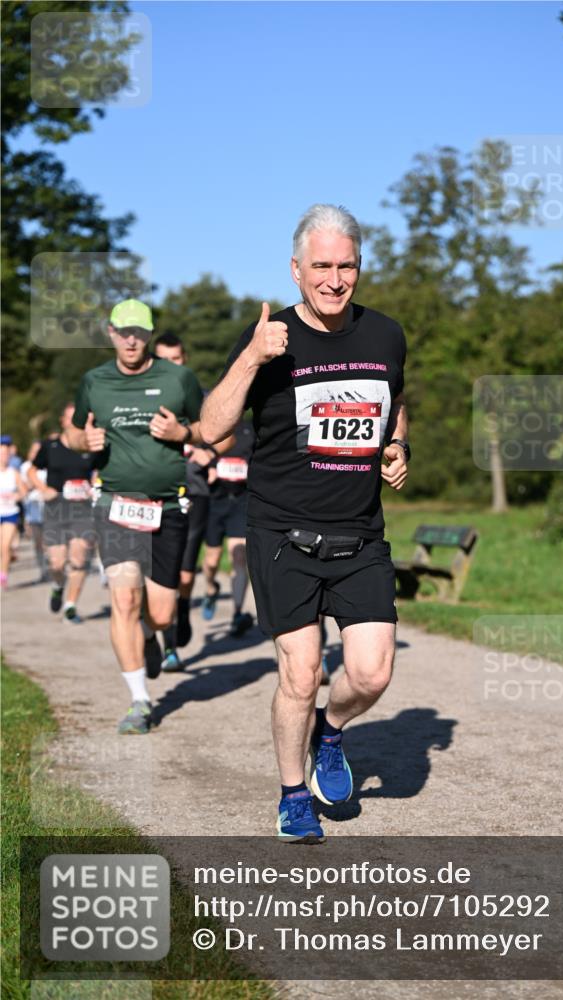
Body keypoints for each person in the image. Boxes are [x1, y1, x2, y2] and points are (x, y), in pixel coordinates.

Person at [201, 204, 409, 842]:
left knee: (372, 672)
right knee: (302, 671)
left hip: (360, 535)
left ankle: (330, 732)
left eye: (346, 265)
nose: (334, 278)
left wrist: (397, 446)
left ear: (359, 268)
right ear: (296, 270)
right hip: (282, 534)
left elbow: (392, 405)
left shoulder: (385, 335)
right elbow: (211, 430)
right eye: (321, 265)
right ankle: (294, 795)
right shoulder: (268, 336)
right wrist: (252, 360)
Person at [67, 298, 212, 734]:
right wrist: (83, 440)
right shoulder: (94, 381)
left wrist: (183, 432)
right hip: (115, 504)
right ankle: (139, 701)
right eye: (123, 330)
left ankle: (151, 636)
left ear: (149, 335)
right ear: (110, 332)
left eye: (139, 331)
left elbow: (212, 428)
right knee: (124, 598)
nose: (131, 339)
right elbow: (71, 430)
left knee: (163, 614)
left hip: (167, 507)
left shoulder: (178, 378)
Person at [152, 332, 232, 669]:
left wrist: (208, 452)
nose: (171, 366)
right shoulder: (141, 398)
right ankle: (162, 641)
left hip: (193, 494)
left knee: (183, 575)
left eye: (177, 359)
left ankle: (180, 614)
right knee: (151, 576)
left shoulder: (200, 399)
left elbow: (225, 437)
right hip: (150, 495)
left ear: (184, 360)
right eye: (164, 360)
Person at [28, 406, 97, 621]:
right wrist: (43, 488)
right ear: (63, 421)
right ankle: (58, 585)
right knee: (56, 563)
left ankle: (70, 605)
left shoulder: (91, 447)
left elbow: (98, 472)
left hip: (82, 508)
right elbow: (31, 470)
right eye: (72, 418)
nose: (76, 423)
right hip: (56, 507)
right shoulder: (50, 446)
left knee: (79, 557)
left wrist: (94, 486)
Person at [201, 417, 255, 637]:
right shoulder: (214, 426)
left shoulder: (251, 429)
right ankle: (211, 588)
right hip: (216, 500)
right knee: (212, 559)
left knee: (240, 557)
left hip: (241, 500)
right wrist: (209, 467)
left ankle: (237, 613)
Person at [0, 440, 27, 588]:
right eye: (1, 453)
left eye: (6, 453)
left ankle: (3, 575)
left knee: (5, 546)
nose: (4, 456)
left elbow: (23, 491)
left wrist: (15, 497)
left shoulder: (14, 473)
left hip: (10, 513)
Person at [21, 442, 49, 581]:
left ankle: (53, 567)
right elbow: (23, 487)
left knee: (49, 540)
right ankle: (43, 570)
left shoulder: (48, 465)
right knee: (38, 542)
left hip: (49, 506)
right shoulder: (25, 467)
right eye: (34, 451)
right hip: (33, 506)